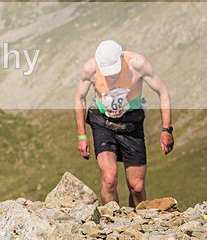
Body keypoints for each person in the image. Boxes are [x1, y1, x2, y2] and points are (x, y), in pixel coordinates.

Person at [74, 40, 174, 206]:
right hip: (102, 121)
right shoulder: (90, 68)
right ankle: (110, 221)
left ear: (121, 58)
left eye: (114, 71)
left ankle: (139, 221)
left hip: (131, 123)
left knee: (137, 187)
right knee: (109, 178)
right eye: (107, 72)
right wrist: (81, 135)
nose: (111, 76)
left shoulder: (138, 64)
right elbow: (79, 98)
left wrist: (166, 129)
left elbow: (162, 92)